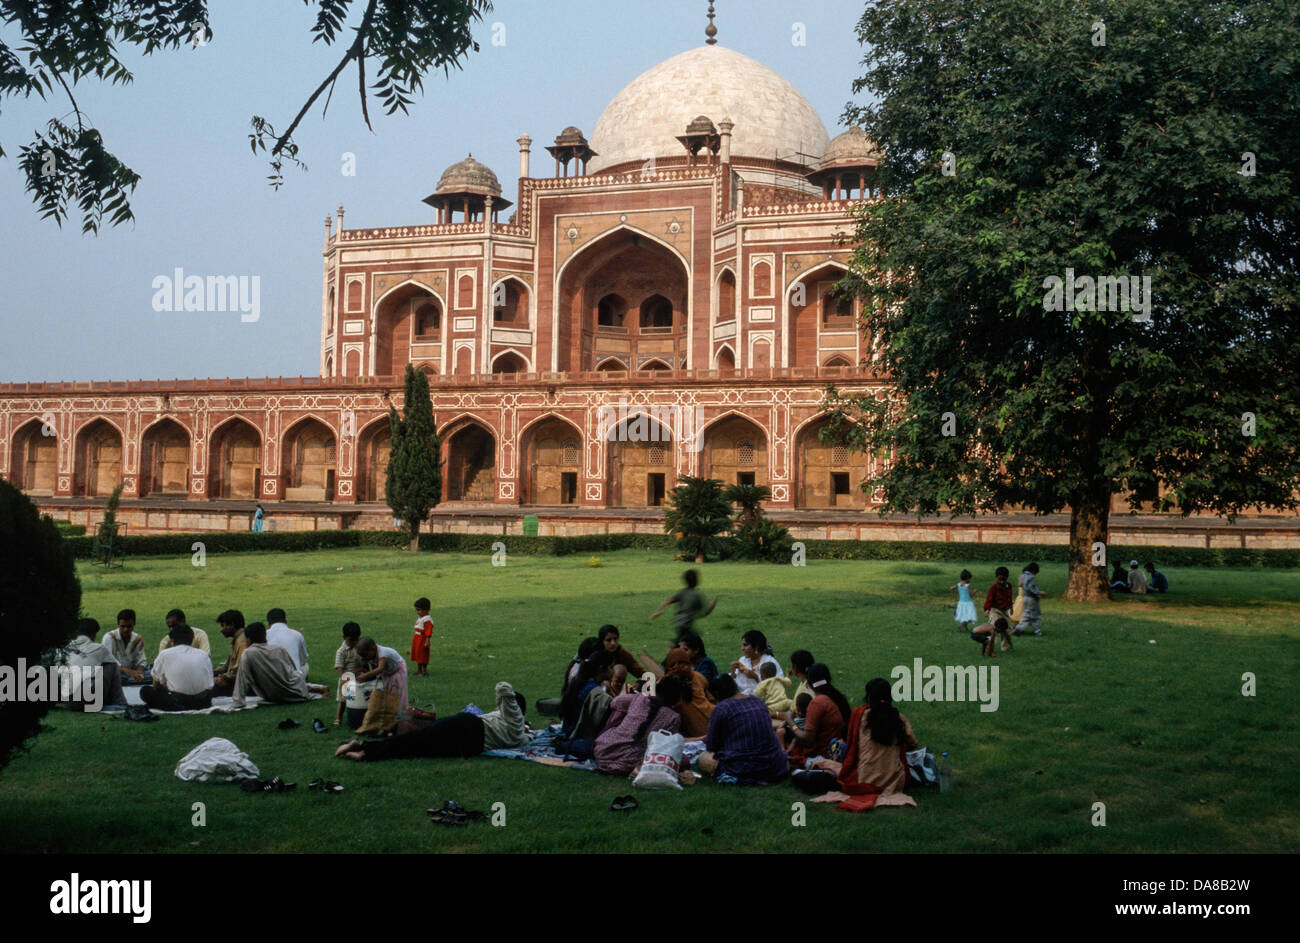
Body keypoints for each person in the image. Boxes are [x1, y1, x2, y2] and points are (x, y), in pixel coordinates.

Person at [336, 682, 528, 762]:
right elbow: (525, 737)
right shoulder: (519, 735)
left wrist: (503, 703)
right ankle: (364, 750)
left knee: (417, 743)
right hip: (469, 743)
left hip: (468, 729)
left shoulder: (514, 718)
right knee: (418, 744)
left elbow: (503, 688)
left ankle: (363, 748)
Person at [836, 678, 920, 808]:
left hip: (864, 779)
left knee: (836, 746)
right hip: (894, 781)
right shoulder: (898, 717)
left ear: (869, 698)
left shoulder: (860, 715)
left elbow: (852, 744)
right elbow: (913, 743)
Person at [696, 675, 788, 785]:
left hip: (742, 768)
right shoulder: (758, 701)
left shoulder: (721, 708)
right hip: (775, 765)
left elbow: (711, 746)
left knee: (703, 758)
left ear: (716, 694)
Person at [593, 678, 684, 777]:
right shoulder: (673, 717)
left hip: (603, 750)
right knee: (683, 761)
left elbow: (615, 703)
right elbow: (666, 748)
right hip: (629, 762)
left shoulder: (640, 698)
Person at [230, 622, 328, 708]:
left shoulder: (248, 653)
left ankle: (313, 688)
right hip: (297, 690)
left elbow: (242, 679)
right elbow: (291, 672)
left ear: (248, 639)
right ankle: (314, 687)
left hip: (279, 694)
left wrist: (238, 702)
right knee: (291, 680)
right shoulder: (279, 649)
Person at [780, 663, 849, 766]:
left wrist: (790, 720)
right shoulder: (835, 697)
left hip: (823, 753)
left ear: (810, 683)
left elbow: (807, 739)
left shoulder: (818, 702)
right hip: (836, 748)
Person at [141, 624, 214, 711]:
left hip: (178, 700)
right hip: (203, 701)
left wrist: (163, 690)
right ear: (191, 639)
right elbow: (210, 683)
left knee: (145, 691)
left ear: (172, 641)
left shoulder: (165, 654)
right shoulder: (203, 655)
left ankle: (175, 705)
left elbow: (156, 683)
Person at [65, 619, 127, 709]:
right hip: (86, 699)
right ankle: (119, 701)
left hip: (68, 700)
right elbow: (115, 667)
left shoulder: (66, 648)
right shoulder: (99, 649)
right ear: (93, 634)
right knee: (111, 666)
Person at [559, 650, 615, 739]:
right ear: (601, 669)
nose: (613, 671)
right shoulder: (596, 692)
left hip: (568, 732)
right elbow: (602, 722)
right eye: (611, 667)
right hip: (577, 737)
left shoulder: (580, 682)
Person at [650, 569, 718, 642]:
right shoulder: (697, 595)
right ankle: (673, 644)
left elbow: (668, 601)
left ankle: (675, 644)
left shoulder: (682, 592)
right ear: (697, 580)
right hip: (686, 624)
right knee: (692, 641)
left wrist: (660, 611)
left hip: (678, 622)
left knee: (687, 640)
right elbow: (704, 613)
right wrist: (712, 606)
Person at [663, 647, 714, 738]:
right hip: (716, 723)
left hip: (699, 736)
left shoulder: (667, 684)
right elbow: (711, 698)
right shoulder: (698, 677)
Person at [354, 637, 410, 718]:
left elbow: (380, 668)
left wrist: (366, 675)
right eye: (362, 656)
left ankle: (399, 715)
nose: (364, 658)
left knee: (397, 693)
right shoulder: (370, 654)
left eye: (365, 655)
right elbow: (373, 669)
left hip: (398, 670)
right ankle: (389, 714)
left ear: (373, 648)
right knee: (387, 692)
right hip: (387, 672)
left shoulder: (383, 653)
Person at [101, 609, 148, 683]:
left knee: (153, 674)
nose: (126, 629)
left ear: (134, 624)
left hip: (131, 673)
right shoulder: (109, 637)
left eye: (129, 626)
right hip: (114, 673)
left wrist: (139, 673)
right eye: (122, 626)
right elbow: (108, 661)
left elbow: (141, 661)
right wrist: (129, 672)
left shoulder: (137, 639)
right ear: (118, 624)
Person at [730, 629, 782, 695]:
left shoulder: (770, 662)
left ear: (756, 647)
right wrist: (733, 673)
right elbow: (736, 685)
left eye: (745, 645)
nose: (742, 648)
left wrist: (756, 677)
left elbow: (777, 687)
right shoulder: (742, 660)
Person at [334, 621, 365, 726]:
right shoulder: (341, 651)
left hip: (360, 677)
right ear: (344, 637)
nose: (355, 642)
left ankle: (359, 718)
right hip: (347, 678)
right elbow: (339, 666)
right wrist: (344, 680)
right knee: (344, 700)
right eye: (351, 640)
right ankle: (338, 719)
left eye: (357, 639)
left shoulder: (360, 646)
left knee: (359, 698)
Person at [211, 609, 249, 691]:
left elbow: (239, 671)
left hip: (239, 685)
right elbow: (226, 666)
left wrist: (220, 678)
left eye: (222, 625)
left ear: (231, 625)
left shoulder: (242, 642)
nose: (221, 630)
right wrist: (210, 672)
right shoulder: (237, 639)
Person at [265, 608, 310, 677]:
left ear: (268, 624)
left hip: (270, 678)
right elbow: (303, 660)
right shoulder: (297, 634)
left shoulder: (264, 635)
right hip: (294, 679)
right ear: (285, 621)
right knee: (305, 665)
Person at [983, 567, 1014, 650]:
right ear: (997, 578)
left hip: (1003, 611)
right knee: (993, 627)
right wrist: (987, 609)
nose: (1002, 581)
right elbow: (989, 600)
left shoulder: (1009, 586)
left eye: (1004, 579)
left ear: (1007, 577)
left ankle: (1006, 647)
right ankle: (989, 645)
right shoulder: (993, 588)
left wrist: (1011, 607)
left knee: (1006, 629)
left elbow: (1009, 598)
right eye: (1000, 579)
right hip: (994, 610)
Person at [1012, 563, 1046, 637]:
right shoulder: (1031, 577)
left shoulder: (1023, 576)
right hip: (1032, 599)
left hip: (1025, 598)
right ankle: (1037, 632)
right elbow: (1031, 589)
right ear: (1033, 570)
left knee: (1026, 615)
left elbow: (1020, 585)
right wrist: (1040, 593)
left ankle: (1019, 628)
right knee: (1036, 616)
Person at [410, 597, 434, 676]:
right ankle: (419, 670)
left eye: (419, 610)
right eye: (416, 610)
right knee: (417, 654)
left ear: (426, 610)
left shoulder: (427, 619)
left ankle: (424, 670)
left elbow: (428, 631)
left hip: (422, 639)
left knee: (423, 654)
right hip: (417, 638)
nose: (417, 612)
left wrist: (427, 640)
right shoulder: (421, 617)